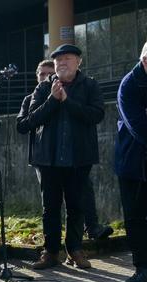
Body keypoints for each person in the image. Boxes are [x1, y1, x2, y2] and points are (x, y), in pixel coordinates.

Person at [20, 44, 104, 270]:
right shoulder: (43, 88)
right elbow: (30, 120)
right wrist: (52, 100)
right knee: (50, 208)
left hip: (79, 158)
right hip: (48, 160)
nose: (62, 63)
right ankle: (50, 252)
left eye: (67, 58)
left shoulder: (90, 85)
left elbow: (96, 115)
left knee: (76, 206)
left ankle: (75, 250)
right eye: (58, 60)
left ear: (79, 62)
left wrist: (67, 101)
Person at [114, 33, 147, 282]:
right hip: (135, 163)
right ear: (145, 61)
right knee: (135, 218)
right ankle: (144, 269)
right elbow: (140, 129)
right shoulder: (129, 86)